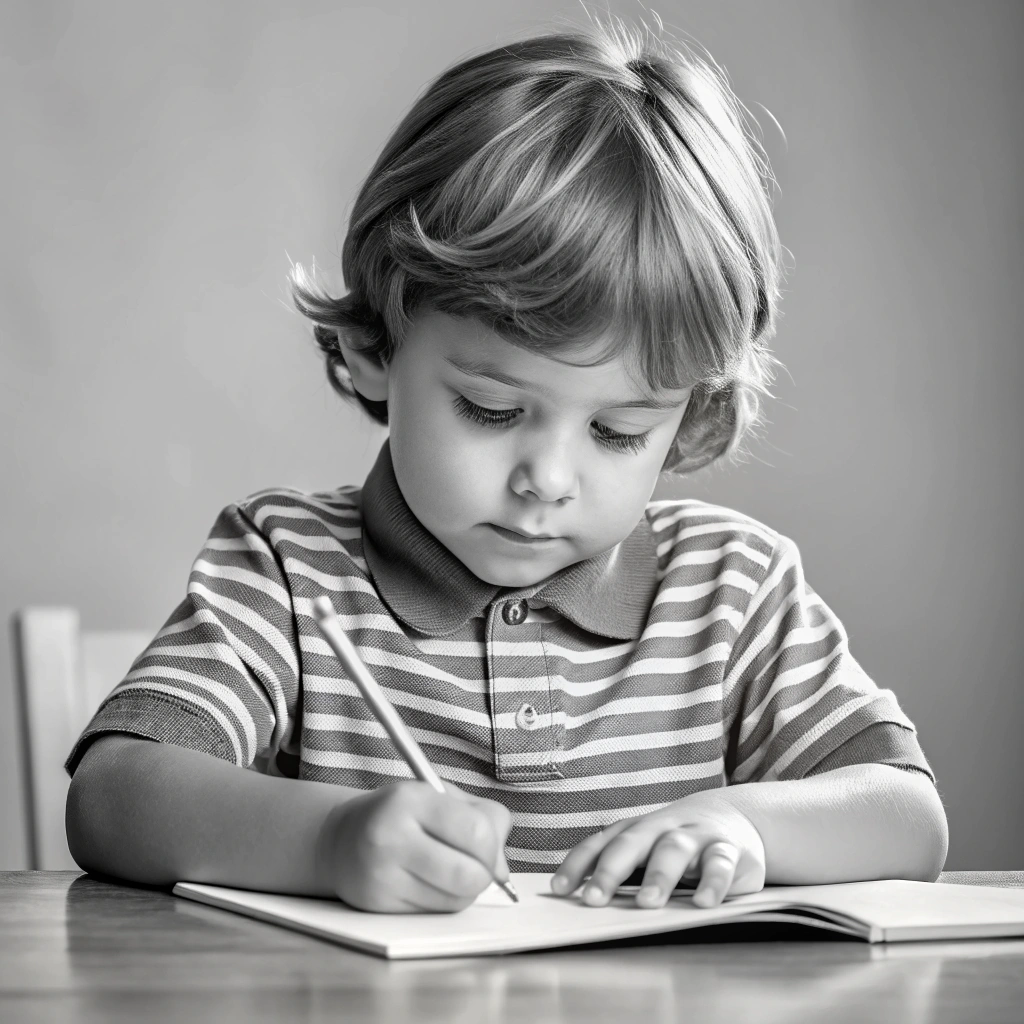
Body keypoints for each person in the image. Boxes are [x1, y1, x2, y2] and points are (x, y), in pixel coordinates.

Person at [65, 17, 948, 914]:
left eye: (617, 433)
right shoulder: (289, 568)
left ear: (689, 415)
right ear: (375, 342)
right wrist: (328, 842)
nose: (549, 480)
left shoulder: (734, 591)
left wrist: (748, 826)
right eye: (492, 410)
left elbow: (908, 817)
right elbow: (113, 797)